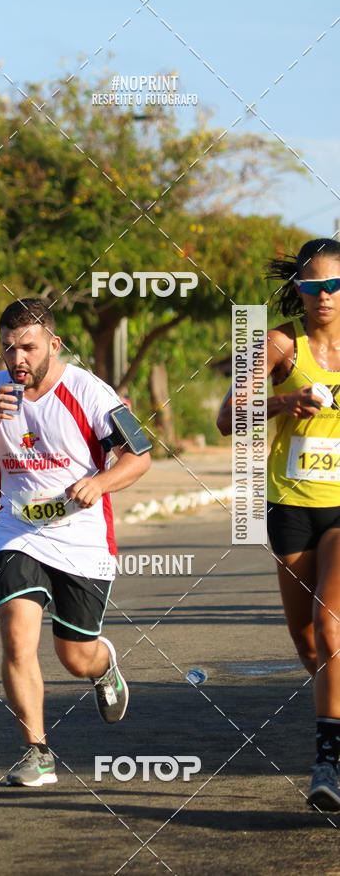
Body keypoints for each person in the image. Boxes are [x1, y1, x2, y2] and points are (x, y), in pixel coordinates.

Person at [0, 298, 151, 786]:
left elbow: (139, 455)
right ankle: (36, 751)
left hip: (81, 537)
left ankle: (103, 666)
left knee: (74, 656)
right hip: (17, 531)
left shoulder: (89, 391)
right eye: (8, 348)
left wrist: (100, 483)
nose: (17, 359)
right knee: (17, 636)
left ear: (54, 345)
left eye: (28, 347)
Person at [217, 238, 340, 811]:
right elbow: (226, 417)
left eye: (334, 285)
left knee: (330, 626)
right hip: (290, 506)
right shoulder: (275, 345)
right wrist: (282, 404)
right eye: (313, 286)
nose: (325, 296)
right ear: (298, 289)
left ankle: (327, 763)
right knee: (308, 643)